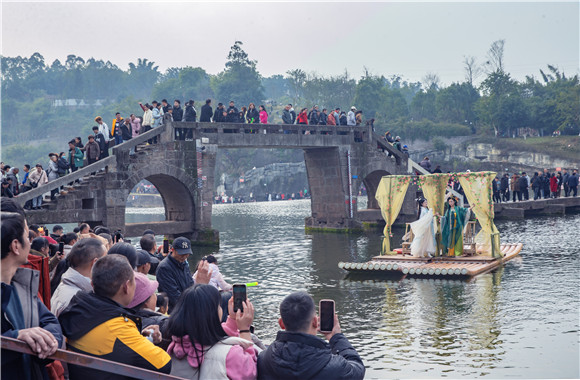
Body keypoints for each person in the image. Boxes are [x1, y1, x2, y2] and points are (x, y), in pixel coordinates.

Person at [58, 254, 171, 379]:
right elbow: (163, 363)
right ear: (126, 287)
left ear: (92, 284)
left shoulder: (79, 310)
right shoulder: (117, 327)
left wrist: (143, 339)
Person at [2, 212, 64, 380]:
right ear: (16, 246)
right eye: (26, 236)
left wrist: (48, 342)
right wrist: (15, 339)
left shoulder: (20, 286)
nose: (30, 242)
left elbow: (50, 321)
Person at [258, 291, 365, 380]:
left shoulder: (263, 360)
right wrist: (336, 337)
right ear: (315, 321)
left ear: (281, 323)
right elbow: (358, 368)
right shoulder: (336, 367)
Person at [166, 284, 258, 379]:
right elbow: (251, 371)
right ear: (211, 314)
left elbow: (210, 334)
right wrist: (244, 330)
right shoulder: (230, 354)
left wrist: (233, 320)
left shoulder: (177, 344)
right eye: (218, 306)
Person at [50, 238, 107, 317]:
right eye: (106, 261)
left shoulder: (66, 287)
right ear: (95, 263)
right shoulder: (77, 302)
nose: (108, 265)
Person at [155, 237, 211, 311]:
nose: (184, 257)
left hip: (187, 305)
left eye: (186, 254)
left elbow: (190, 284)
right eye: (181, 254)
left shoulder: (184, 264)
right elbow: (173, 296)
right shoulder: (164, 268)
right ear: (172, 250)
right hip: (174, 310)